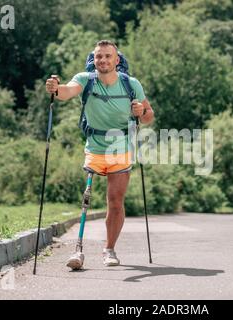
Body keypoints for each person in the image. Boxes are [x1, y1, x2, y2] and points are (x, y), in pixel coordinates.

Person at [45, 40, 154, 266]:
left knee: (115, 202)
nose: (102, 60)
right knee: (86, 199)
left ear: (117, 60)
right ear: (94, 60)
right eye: (98, 57)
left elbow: (148, 116)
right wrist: (56, 89)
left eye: (107, 56)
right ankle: (78, 251)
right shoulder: (86, 80)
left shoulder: (131, 84)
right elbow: (67, 91)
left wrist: (141, 111)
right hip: (94, 145)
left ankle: (109, 249)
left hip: (120, 146)